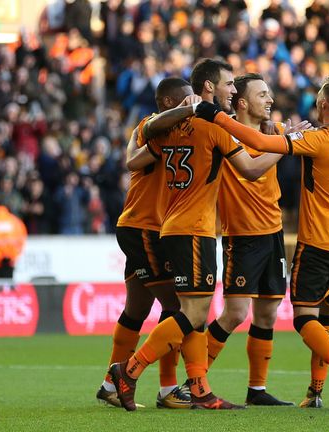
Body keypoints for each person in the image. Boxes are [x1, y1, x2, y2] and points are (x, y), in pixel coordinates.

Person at [194, 76, 329, 411]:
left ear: (324, 105)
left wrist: (213, 113)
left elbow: (260, 143)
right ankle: (315, 392)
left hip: (313, 241)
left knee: (301, 318)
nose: (269, 99)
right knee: (325, 318)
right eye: (262, 94)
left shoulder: (314, 139)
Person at [109, 59, 283, 411]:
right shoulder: (215, 129)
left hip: (170, 227)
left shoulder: (168, 129)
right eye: (229, 84)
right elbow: (249, 169)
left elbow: (136, 160)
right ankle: (129, 371)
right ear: (208, 88)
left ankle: (199, 388)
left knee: (192, 312)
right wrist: (283, 144)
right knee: (190, 313)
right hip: (195, 229)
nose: (232, 91)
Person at [204, 73, 308, 406]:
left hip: (273, 234)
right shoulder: (227, 134)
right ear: (244, 103)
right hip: (241, 235)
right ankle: (195, 380)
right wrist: (286, 144)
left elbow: (304, 140)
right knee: (234, 313)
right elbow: (252, 168)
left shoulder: (277, 131)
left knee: (267, 314)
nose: (271, 99)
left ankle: (257, 390)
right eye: (263, 94)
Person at [95, 78, 197, 410]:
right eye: (184, 102)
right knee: (178, 307)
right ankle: (167, 389)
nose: (189, 106)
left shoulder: (181, 133)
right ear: (168, 103)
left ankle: (110, 384)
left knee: (137, 309)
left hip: (148, 228)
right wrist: (192, 109)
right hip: (144, 228)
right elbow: (151, 128)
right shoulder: (149, 126)